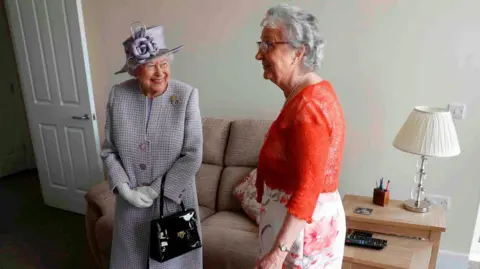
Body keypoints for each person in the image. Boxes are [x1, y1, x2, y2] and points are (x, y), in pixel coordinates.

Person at [101, 22, 203, 269]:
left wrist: (155, 189)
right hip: (131, 206)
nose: (160, 72)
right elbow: (109, 150)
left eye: (164, 64)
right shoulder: (118, 95)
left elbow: (192, 154)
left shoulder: (186, 96)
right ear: (135, 70)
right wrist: (124, 189)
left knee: (173, 266)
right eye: (150, 65)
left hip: (173, 204)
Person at [253, 4, 346, 269]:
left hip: (300, 238)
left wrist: (277, 254)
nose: (259, 54)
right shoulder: (301, 96)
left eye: (269, 45)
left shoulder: (310, 106)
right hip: (293, 231)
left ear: (298, 52)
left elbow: (309, 188)